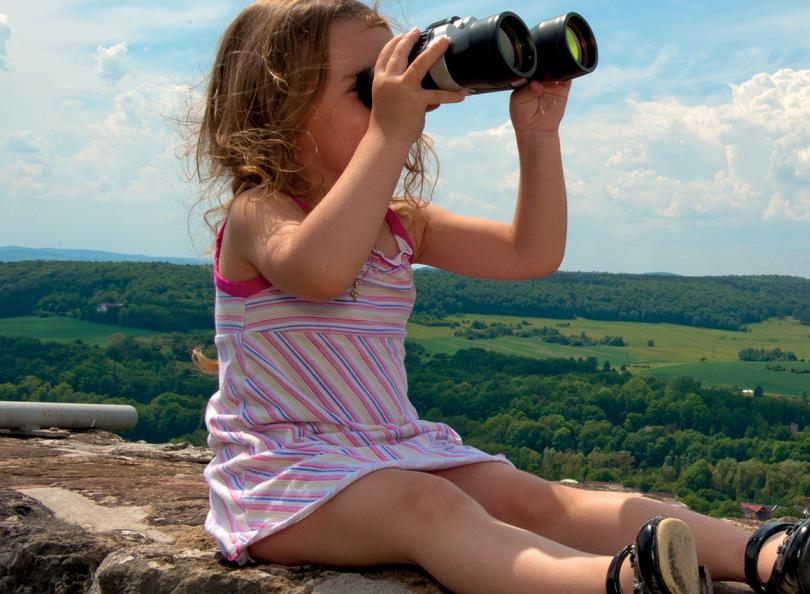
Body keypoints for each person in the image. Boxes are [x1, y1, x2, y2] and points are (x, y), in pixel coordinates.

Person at [190, 1, 810, 592]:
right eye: (372, 85)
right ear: (279, 106)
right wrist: (390, 131)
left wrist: (538, 137)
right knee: (428, 506)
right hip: (285, 476)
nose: (400, 95)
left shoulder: (402, 223)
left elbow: (529, 253)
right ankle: (619, 582)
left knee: (534, 498)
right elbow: (320, 270)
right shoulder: (258, 212)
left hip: (393, 448)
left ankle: (768, 555)